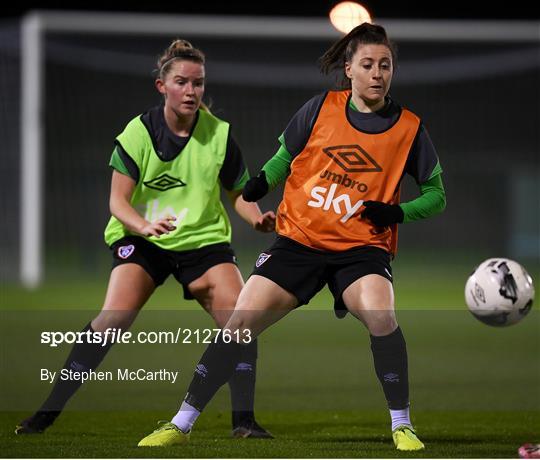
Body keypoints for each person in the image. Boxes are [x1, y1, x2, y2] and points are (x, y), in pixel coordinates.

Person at [138, 23, 446, 450]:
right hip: (300, 241)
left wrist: (396, 212)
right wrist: (264, 180)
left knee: (381, 314)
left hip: (361, 250)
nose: (378, 73)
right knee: (240, 322)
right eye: (368, 64)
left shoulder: (409, 128)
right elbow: (286, 156)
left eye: (386, 65)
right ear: (349, 69)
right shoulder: (320, 108)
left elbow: (437, 196)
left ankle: (402, 424)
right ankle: (181, 422)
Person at [15, 39, 275, 439]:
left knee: (242, 319)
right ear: (162, 86)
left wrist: (256, 219)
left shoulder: (219, 135)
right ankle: (46, 414)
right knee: (113, 319)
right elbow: (117, 201)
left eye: (198, 83)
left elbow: (238, 193)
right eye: (182, 82)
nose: (191, 91)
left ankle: (244, 422)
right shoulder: (138, 132)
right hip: (143, 240)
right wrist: (143, 226)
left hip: (202, 241)